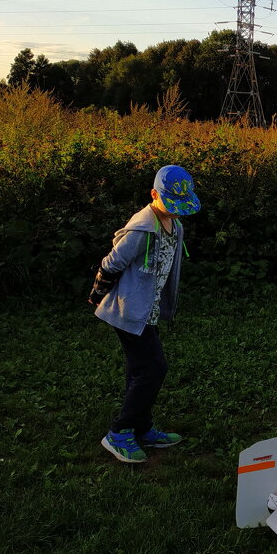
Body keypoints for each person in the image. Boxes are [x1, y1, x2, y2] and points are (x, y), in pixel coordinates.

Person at [88, 165, 201, 464]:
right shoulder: (141, 229)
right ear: (154, 194)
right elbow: (112, 263)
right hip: (127, 311)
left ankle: (142, 427)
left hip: (146, 311)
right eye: (172, 204)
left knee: (140, 370)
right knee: (154, 368)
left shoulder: (175, 225)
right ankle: (120, 432)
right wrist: (97, 295)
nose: (177, 212)